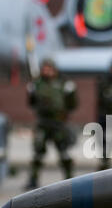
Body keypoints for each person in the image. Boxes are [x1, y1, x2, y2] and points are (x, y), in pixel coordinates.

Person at [26, 58, 78, 189]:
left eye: (49, 69)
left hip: (58, 124)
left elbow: (72, 104)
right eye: (44, 69)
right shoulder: (37, 84)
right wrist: (31, 91)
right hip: (43, 123)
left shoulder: (63, 84)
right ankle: (33, 179)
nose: (47, 71)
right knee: (38, 153)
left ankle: (69, 178)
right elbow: (31, 103)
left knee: (63, 152)